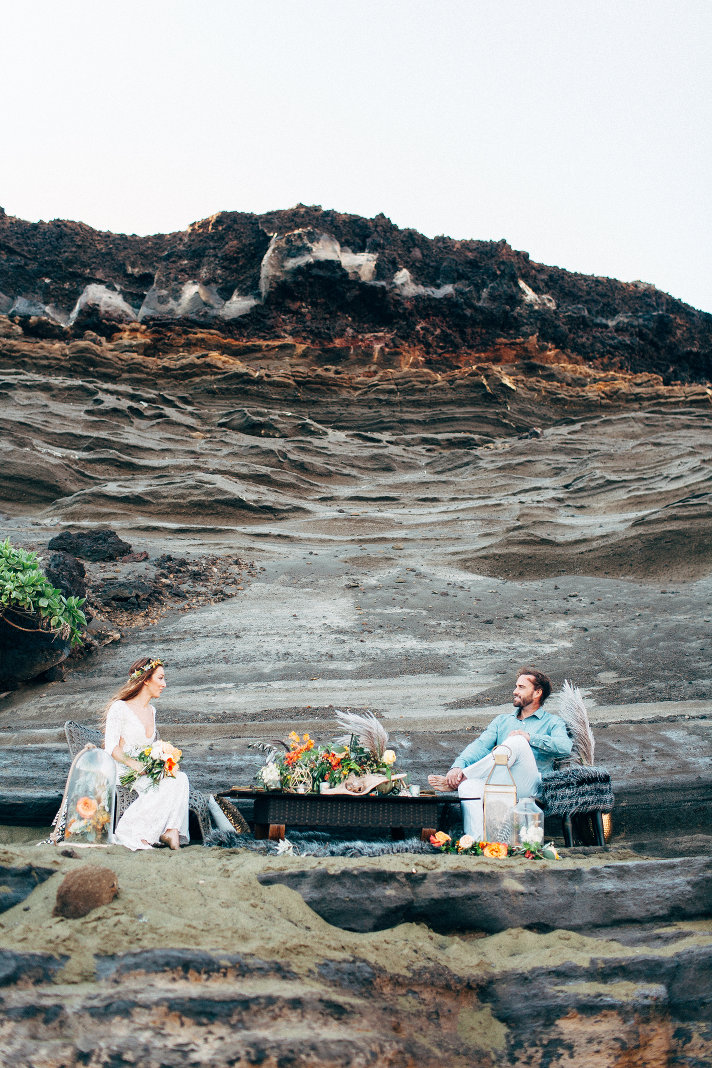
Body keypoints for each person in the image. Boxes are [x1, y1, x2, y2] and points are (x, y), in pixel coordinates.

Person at [428, 667, 572, 799]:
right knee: (467, 788)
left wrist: (529, 737)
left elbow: (565, 747)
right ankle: (474, 824)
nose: (515, 691)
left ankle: (463, 778)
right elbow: (480, 746)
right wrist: (458, 766)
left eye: (521, 687)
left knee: (517, 740)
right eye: (516, 686)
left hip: (530, 785)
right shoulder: (502, 721)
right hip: (499, 780)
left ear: (538, 692)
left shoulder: (552, 722)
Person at [104, 657, 189, 850]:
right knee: (163, 787)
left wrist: (162, 759)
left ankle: (172, 830)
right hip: (124, 770)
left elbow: (150, 748)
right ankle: (135, 833)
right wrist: (134, 764)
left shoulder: (152, 710)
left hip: (145, 769)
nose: (164, 684)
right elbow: (111, 747)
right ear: (146, 680)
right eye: (160, 678)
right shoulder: (120, 708)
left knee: (180, 778)